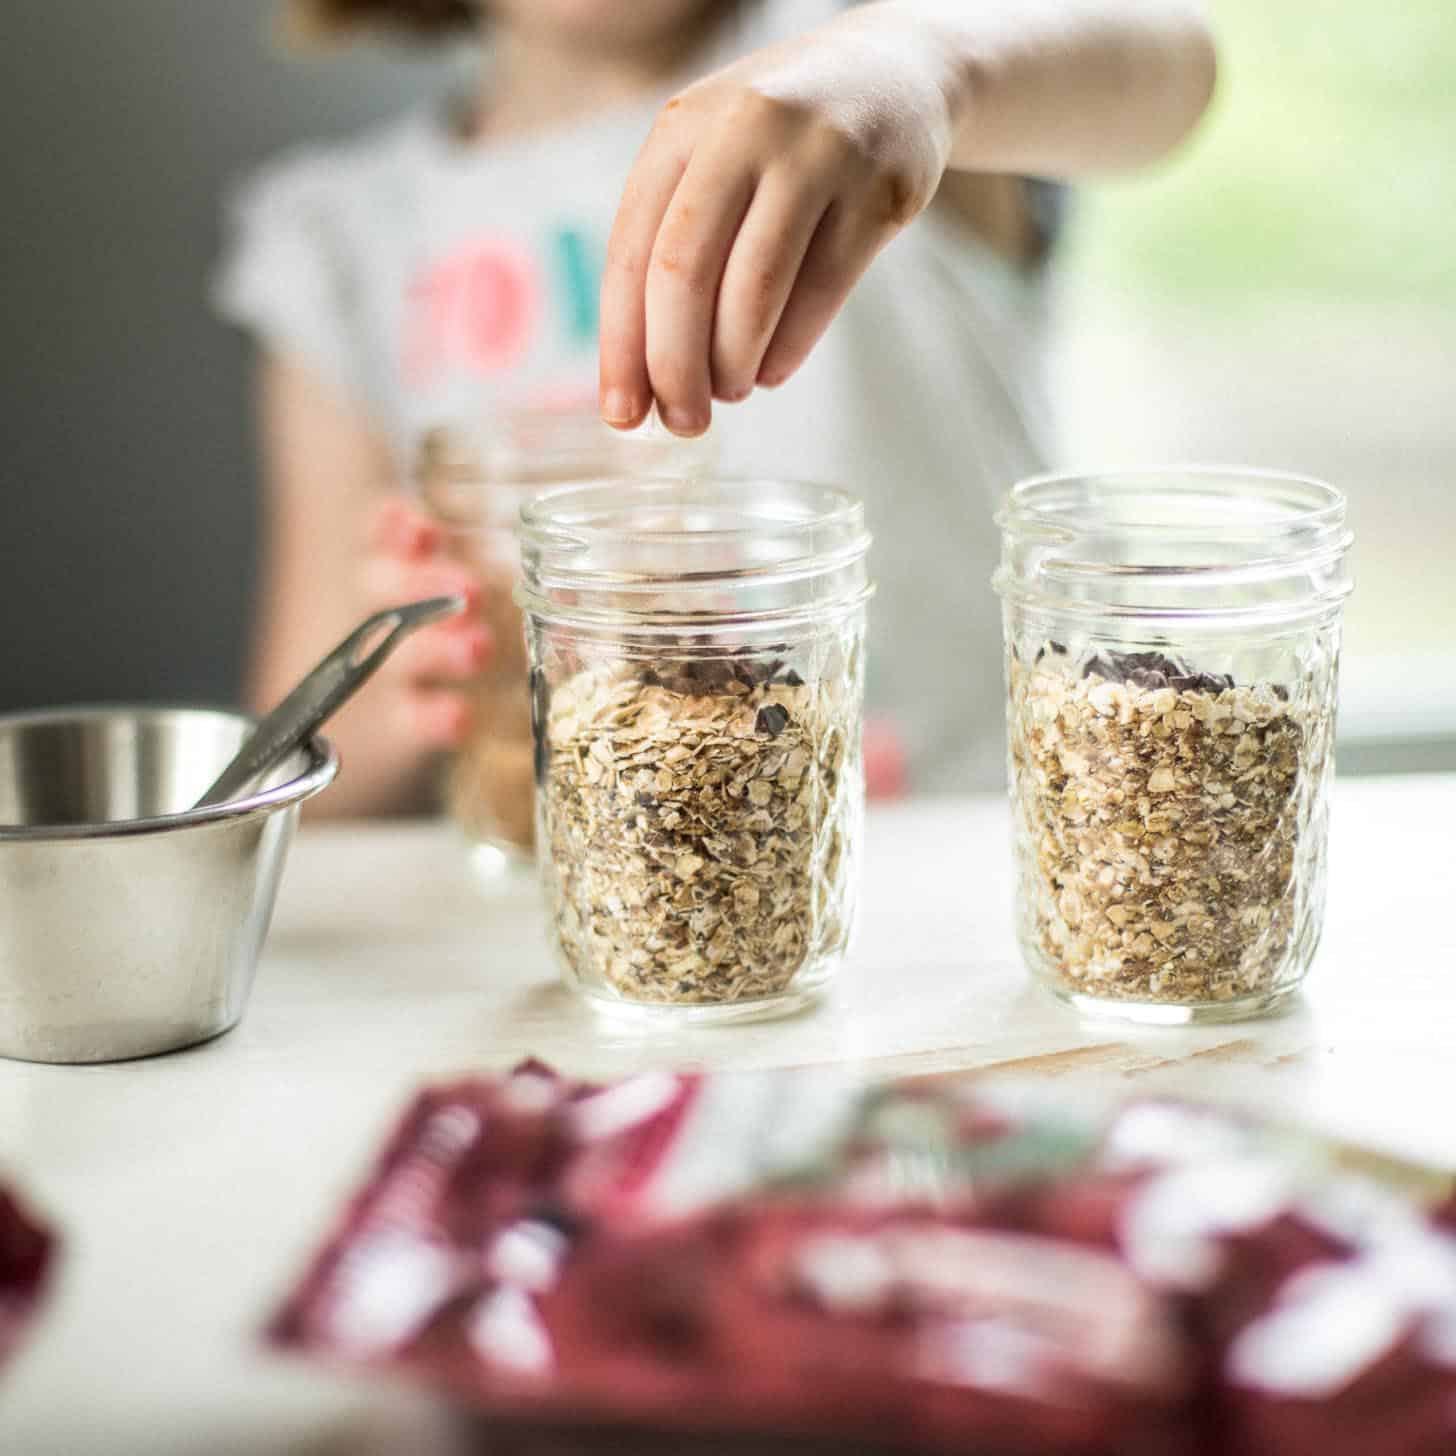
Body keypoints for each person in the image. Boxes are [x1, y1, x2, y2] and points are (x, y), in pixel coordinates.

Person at [215, 0, 1216, 815]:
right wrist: (410, 687)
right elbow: (290, 747)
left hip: (974, 843)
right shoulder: (343, 243)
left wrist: (922, 63)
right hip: (621, 901)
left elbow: (1174, 62)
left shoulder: (861, 73)